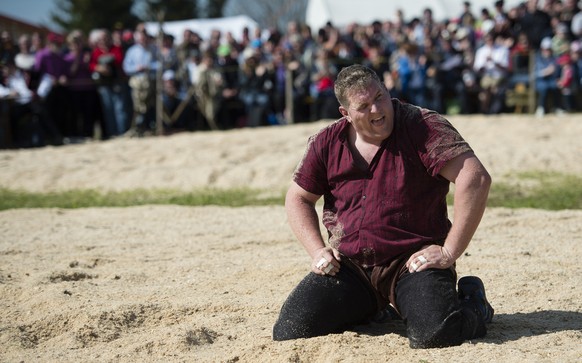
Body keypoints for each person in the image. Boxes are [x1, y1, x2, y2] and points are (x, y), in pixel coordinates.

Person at [272, 64, 493, 349]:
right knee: (292, 328)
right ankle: (374, 308)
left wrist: (449, 251)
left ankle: (474, 305)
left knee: (435, 333)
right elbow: (298, 198)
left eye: (379, 97)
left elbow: (475, 178)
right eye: (364, 106)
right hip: (351, 264)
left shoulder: (421, 125)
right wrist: (317, 251)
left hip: (412, 261)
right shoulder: (326, 142)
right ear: (346, 114)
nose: (377, 110)